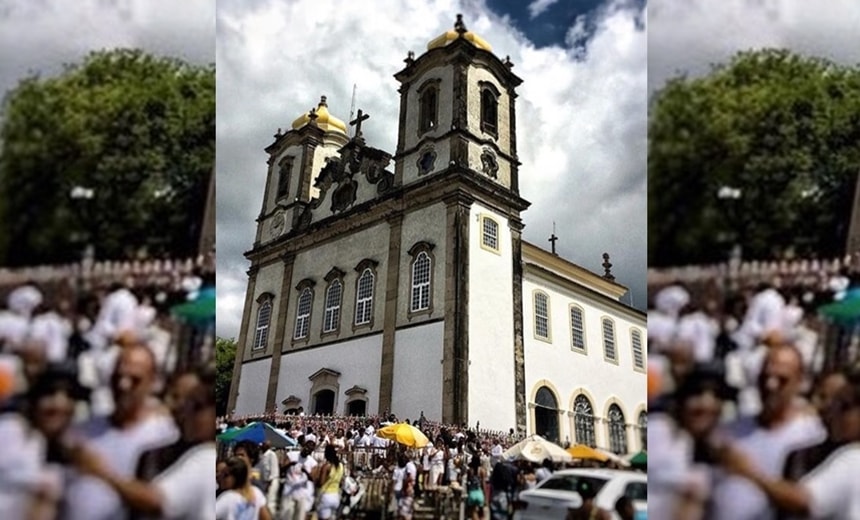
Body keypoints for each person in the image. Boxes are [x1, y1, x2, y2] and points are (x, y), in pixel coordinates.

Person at [69, 362, 218, 520]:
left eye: (197, 406)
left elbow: (156, 500)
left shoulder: (205, 458)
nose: (185, 410)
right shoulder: (152, 454)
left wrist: (101, 470)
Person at [707, 344, 826, 520]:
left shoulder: (811, 435)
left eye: (782, 379)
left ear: (800, 381)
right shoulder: (731, 430)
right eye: (765, 377)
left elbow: (809, 500)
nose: (771, 385)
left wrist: (748, 472)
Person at [61, 343, 178, 520]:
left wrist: (101, 472)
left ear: (152, 381)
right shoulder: (84, 429)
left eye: (135, 379)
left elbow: (162, 500)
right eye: (118, 377)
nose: (123, 385)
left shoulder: (164, 435)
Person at [719, 380, 860, 519]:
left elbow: (803, 501)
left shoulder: (852, 459)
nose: (834, 413)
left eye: (845, 407)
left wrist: (748, 471)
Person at [216, 456, 271, 520]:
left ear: (237, 476)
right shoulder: (255, 492)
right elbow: (266, 517)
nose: (221, 477)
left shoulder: (227, 498)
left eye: (226, 475)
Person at [315, 444, 344, 520]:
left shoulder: (326, 466)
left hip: (326, 495)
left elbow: (321, 483)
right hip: (336, 496)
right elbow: (341, 481)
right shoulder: (341, 466)